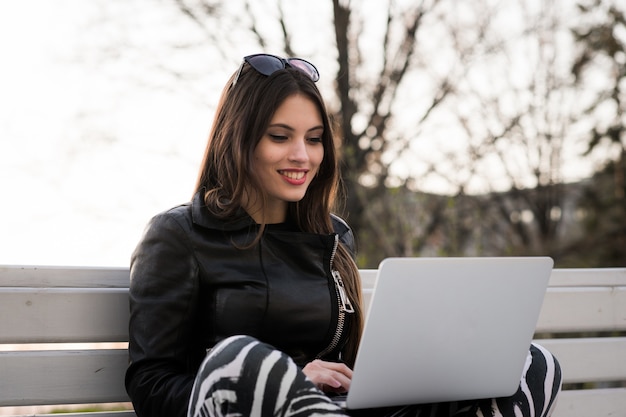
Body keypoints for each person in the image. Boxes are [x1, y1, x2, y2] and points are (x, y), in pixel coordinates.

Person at [125, 53, 562, 417]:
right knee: (239, 361)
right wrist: (289, 381)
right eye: (280, 137)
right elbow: (150, 384)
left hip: (338, 409)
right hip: (246, 405)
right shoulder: (179, 235)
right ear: (238, 140)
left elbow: (346, 364)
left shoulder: (333, 237)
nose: (302, 155)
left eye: (314, 139)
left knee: (531, 364)